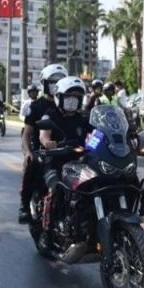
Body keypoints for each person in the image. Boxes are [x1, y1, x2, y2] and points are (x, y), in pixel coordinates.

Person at [20, 63, 67, 223]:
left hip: (67, 149)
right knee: (32, 163)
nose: (56, 85)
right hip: (42, 151)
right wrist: (28, 152)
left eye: (60, 81)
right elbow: (27, 134)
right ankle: (24, 206)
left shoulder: (68, 104)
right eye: (53, 81)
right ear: (45, 83)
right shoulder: (36, 106)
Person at [37, 77, 91, 217]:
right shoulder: (51, 115)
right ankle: (46, 231)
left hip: (80, 163)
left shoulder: (84, 118)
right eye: (68, 96)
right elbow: (43, 135)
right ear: (59, 97)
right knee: (55, 190)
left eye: (76, 96)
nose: (72, 99)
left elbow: (97, 133)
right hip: (55, 162)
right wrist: (48, 142)